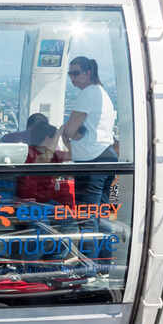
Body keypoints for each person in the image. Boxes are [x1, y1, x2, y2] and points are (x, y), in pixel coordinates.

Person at [59, 56, 117, 216]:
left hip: (91, 159)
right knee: (101, 213)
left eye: (76, 73)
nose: (72, 78)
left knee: (86, 216)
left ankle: (89, 242)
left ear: (88, 73)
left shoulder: (88, 94)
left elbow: (69, 131)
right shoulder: (102, 93)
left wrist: (69, 133)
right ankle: (102, 241)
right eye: (70, 74)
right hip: (107, 155)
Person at [17, 121, 74, 207]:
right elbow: (45, 158)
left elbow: (70, 155)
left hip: (47, 199)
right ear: (47, 138)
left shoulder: (54, 154)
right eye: (55, 139)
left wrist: (66, 139)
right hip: (30, 201)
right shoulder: (29, 152)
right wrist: (58, 133)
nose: (57, 143)